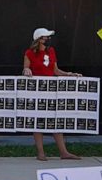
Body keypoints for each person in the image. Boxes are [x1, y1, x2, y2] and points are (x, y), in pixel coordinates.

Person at [22, 28, 82, 161]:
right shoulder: (29, 53)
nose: (48, 39)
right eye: (46, 37)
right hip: (38, 90)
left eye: (49, 37)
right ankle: (41, 152)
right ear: (39, 39)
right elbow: (26, 68)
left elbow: (55, 70)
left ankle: (63, 152)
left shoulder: (51, 51)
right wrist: (26, 71)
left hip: (52, 89)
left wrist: (69, 74)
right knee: (38, 120)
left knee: (55, 119)